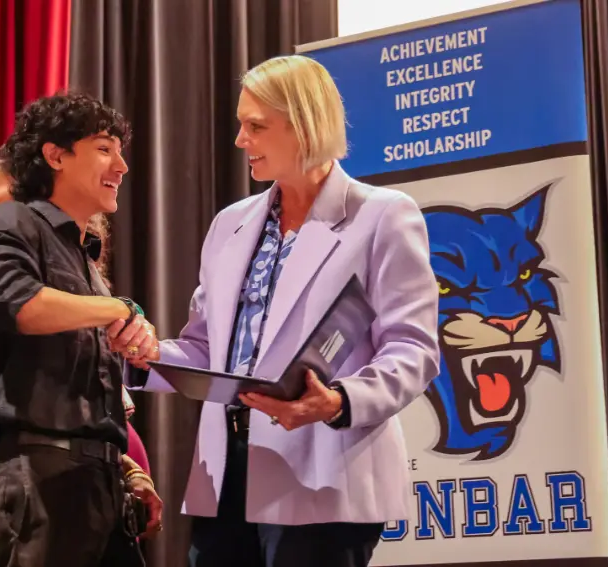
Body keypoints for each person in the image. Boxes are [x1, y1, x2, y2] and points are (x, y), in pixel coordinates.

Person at [116, 55, 440, 567]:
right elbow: (205, 348)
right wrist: (145, 355)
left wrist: (338, 401)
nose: (240, 140)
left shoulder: (383, 215)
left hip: (325, 470)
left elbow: (413, 349)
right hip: (226, 472)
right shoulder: (230, 224)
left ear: (305, 125)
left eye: (256, 126)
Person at [0, 92, 163, 567]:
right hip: (42, 482)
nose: (122, 166)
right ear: (55, 155)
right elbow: (18, 304)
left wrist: (127, 469)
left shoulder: (82, 254)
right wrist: (115, 308)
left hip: (101, 486)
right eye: (104, 149)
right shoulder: (12, 219)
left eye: (120, 152)